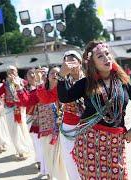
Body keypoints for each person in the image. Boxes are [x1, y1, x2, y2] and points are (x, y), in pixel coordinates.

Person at [58, 41, 131, 179]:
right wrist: (61, 77)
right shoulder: (86, 83)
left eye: (107, 54)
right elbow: (65, 97)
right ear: (92, 63)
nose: (106, 58)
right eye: (100, 56)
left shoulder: (123, 81)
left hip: (115, 142)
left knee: (119, 175)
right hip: (90, 142)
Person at [34, 66, 68, 179]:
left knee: (62, 160)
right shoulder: (42, 91)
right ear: (47, 77)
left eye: (58, 73)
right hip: (46, 131)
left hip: (63, 130)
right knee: (50, 159)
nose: (55, 75)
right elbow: (45, 98)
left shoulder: (66, 90)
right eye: (52, 73)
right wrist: (39, 82)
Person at [0, 65, 30, 160]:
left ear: (16, 72)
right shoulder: (5, 84)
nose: (11, 73)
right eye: (9, 72)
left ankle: (25, 148)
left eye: (13, 71)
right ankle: (20, 150)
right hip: (9, 109)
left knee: (23, 129)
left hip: (20, 109)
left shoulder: (23, 81)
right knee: (14, 131)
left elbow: (28, 93)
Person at [59, 50, 84, 180]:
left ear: (80, 62)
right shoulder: (62, 82)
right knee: (71, 162)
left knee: (88, 160)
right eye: (66, 61)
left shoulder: (89, 80)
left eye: (72, 59)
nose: (69, 63)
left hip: (88, 125)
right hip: (68, 127)